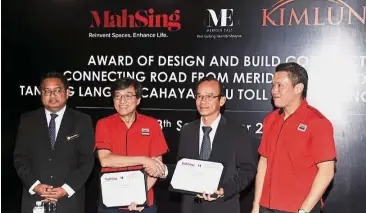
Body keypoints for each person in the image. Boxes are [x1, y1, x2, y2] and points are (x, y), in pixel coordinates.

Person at [150, 76, 256, 213]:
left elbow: (248, 169)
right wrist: (163, 170)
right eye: (199, 96)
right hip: (191, 207)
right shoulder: (187, 130)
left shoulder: (237, 132)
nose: (203, 101)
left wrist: (224, 190)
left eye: (209, 96)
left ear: (222, 100)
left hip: (223, 207)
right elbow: (185, 168)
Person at [251, 62, 337, 213]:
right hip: (266, 207)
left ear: (298, 88)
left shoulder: (318, 122)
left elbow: (326, 171)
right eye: (273, 85)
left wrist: (304, 210)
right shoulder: (270, 120)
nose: (273, 91)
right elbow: (264, 162)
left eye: (279, 85)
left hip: (298, 209)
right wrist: (256, 206)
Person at [13, 72, 95, 213]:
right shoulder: (28, 120)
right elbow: (20, 158)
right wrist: (35, 186)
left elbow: (87, 160)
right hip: (35, 199)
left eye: (57, 91)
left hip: (69, 201)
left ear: (67, 92)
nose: (52, 96)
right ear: (41, 94)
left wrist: (66, 189)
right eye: (47, 91)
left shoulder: (82, 121)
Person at [95, 78, 168, 213]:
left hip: (143, 202)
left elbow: (156, 167)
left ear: (138, 99)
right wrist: (144, 159)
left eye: (128, 96)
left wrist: (139, 195)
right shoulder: (103, 124)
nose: (122, 101)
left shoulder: (152, 124)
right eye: (118, 96)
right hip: (111, 201)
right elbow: (105, 160)